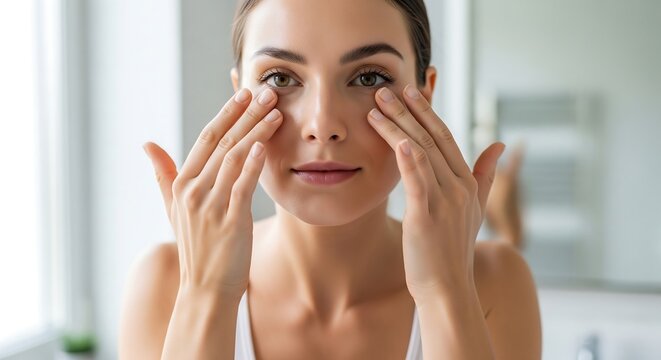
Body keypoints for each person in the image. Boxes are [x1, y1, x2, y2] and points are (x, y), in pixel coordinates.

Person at [119, 0, 542, 359]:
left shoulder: (493, 284)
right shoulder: (164, 285)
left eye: (369, 78)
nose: (323, 125)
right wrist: (207, 295)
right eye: (280, 79)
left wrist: (446, 294)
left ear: (425, 95)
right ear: (238, 97)